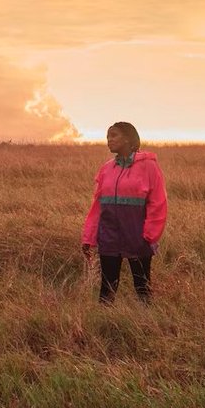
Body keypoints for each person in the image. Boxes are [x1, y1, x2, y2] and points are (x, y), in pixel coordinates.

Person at [82, 122, 168, 304]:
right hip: (109, 235)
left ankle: (147, 326)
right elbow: (98, 206)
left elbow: (158, 202)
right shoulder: (106, 168)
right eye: (107, 136)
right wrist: (89, 237)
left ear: (129, 139)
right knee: (107, 286)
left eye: (114, 136)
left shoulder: (149, 166)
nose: (109, 140)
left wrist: (149, 235)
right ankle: (103, 326)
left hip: (137, 236)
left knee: (142, 285)